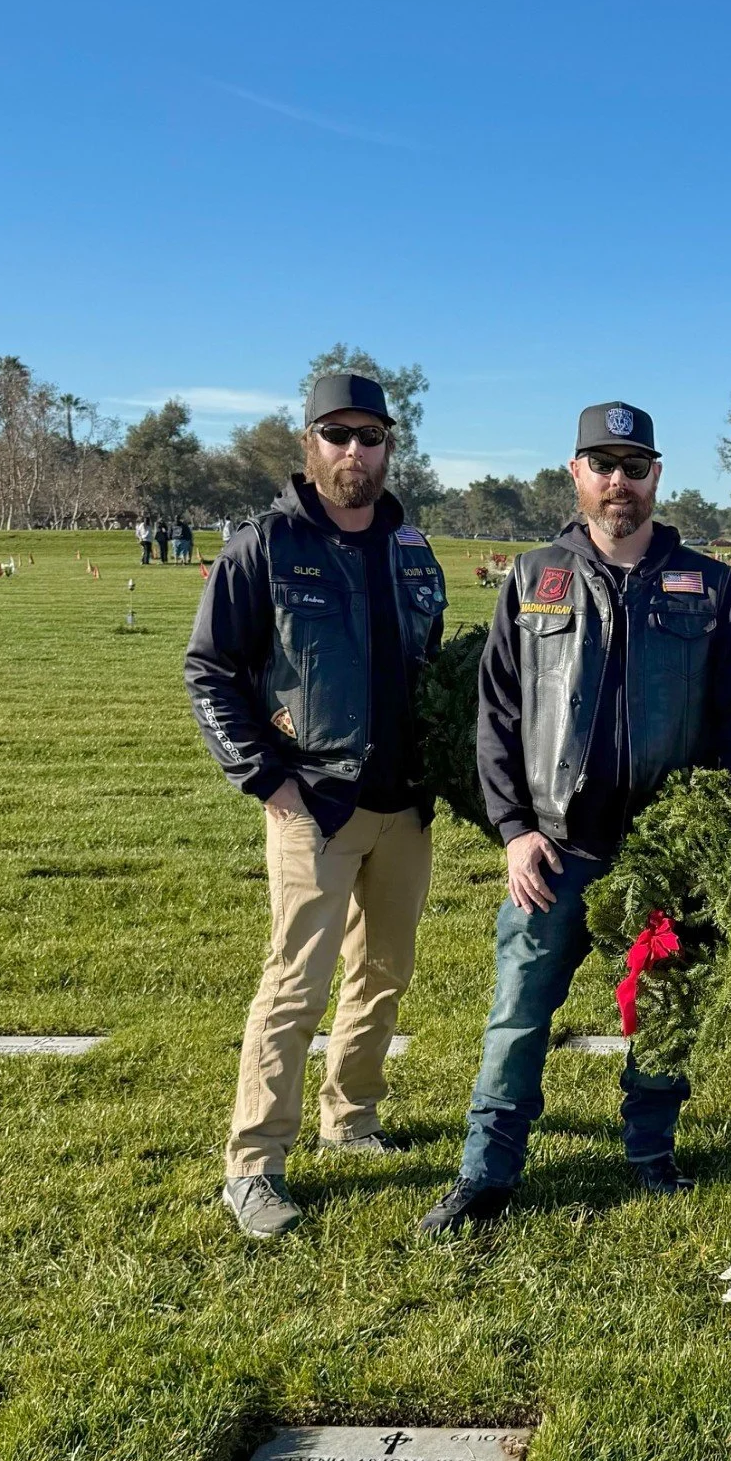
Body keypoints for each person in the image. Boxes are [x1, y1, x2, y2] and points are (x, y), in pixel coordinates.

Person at [420, 400, 731, 1233]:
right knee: (518, 1010)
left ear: (657, 477)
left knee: (666, 1009)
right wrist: (514, 830)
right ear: (576, 472)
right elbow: (497, 716)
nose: (621, 481)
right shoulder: (534, 576)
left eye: (636, 466)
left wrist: (713, 840)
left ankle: (651, 1151)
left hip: (664, 853)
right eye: (603, 464)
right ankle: (487, 1171)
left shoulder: (710, 586)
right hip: (556, 850)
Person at [185, 371, 447, 1239]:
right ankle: (255, 1162)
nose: (353, 452)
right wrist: (267, 778)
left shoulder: (414, 550)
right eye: (336, 435)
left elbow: (432, 672)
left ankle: (353, 1116)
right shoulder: (261, 547)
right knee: (295, 984)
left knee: (383, 975)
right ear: (310, 444)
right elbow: (211, 670)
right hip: (314, 804)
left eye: (368, 437)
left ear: (388, 447)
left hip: (403, 807)